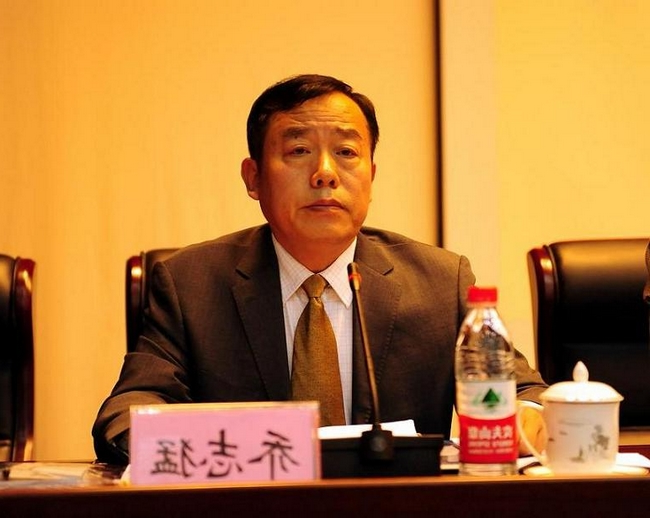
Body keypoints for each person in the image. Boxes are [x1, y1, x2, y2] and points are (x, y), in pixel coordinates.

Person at [93, 74, 547, 464]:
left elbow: (524, 395)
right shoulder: (191, 283)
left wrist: (530, 420)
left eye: (346, 153)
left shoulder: (440, 282)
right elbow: (129, 408)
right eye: (298, 151)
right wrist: (198, 447)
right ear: (254, 178)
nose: (325, 173)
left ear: (371, 175)